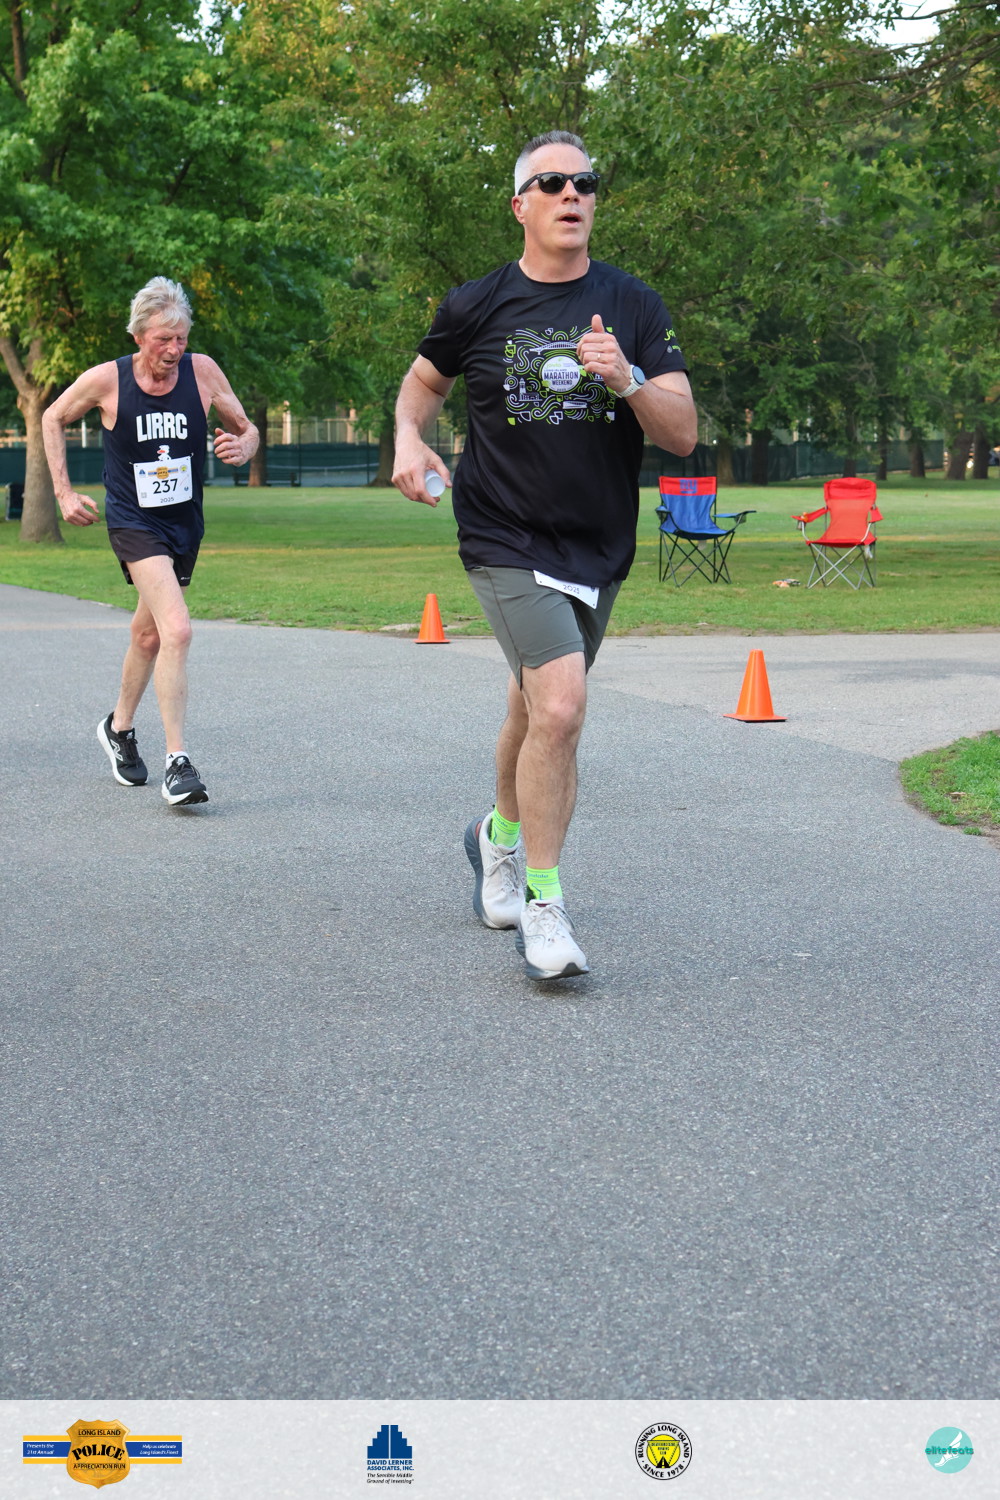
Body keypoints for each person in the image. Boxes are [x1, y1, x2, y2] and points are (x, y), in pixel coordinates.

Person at [392, 130, 697, 979]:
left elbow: (682, 433)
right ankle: (545, 903)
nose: (572, 194)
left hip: (597, 544)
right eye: (552, 182)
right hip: (503, 535)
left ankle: (494, 837)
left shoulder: (634, 305)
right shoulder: (476, 304)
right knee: (561, 706)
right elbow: (422, 384)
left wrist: (628, 378)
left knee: (533, 711)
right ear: (519, 204)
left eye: (584, 182)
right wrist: (409, 438)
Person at [42, 277, 258, 806]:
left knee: (148, 637)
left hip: (184, 524)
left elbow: (245, 426)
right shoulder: (108, 380)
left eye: (181, 338)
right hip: (133, 522)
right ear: (139, 336)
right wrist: (63, 493)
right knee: (177, 629)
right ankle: (177, 763)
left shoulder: (202, 371)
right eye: (163, 339)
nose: (174, 349)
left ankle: (118, 729)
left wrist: (246, 445)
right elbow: (52, 417)